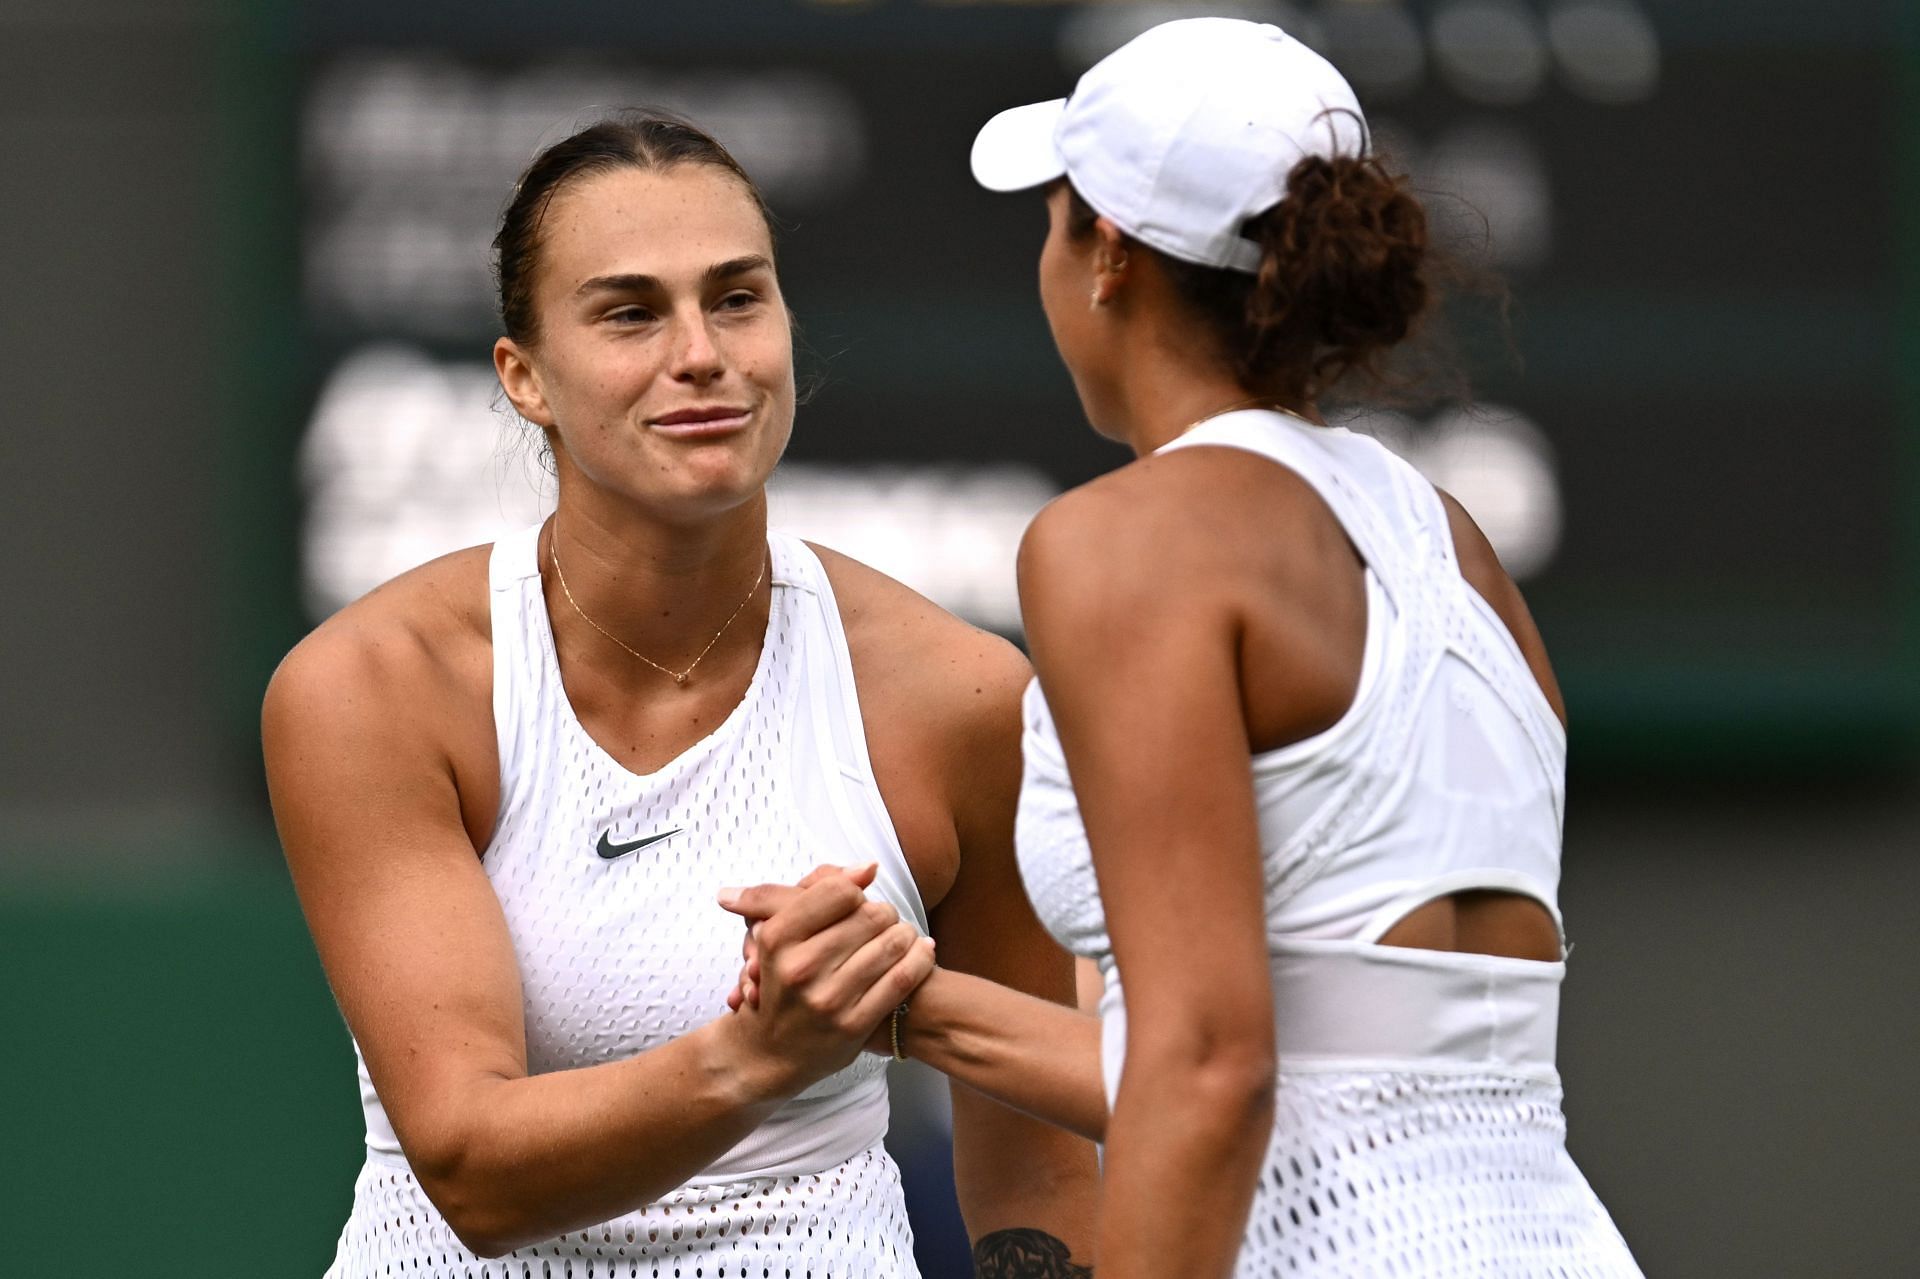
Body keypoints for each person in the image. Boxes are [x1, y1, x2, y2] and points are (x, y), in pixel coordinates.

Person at [726, 18, 1643, 1278]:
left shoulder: (1124, 543)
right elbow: (1321, 1058)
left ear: (1106, 255)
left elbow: (1210, 1067)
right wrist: (901, 1002)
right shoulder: (1455, 539)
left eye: (1053, 218)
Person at [261, 112, 1095, 1278]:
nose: (700, 351)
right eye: (629, 312)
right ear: (525, 377)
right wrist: (764, 1051)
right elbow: (471, 1168)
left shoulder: (958, 692)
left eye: (738, 297)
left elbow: (1041, 1163)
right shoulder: (374, 684)